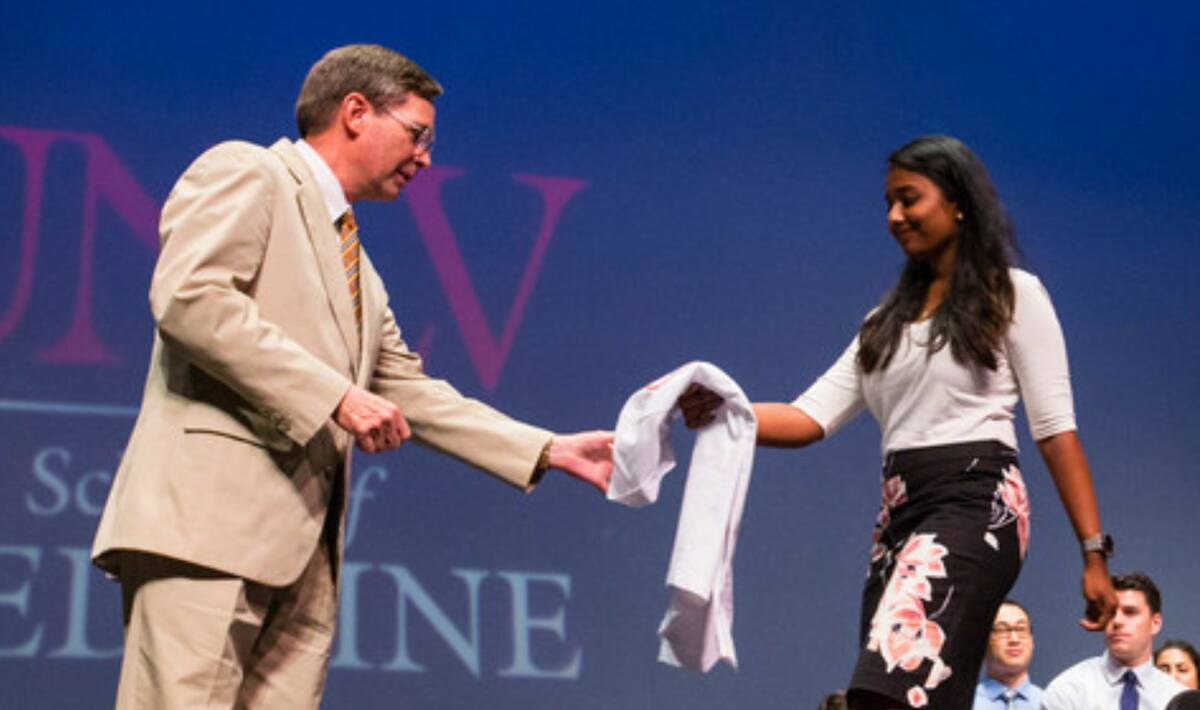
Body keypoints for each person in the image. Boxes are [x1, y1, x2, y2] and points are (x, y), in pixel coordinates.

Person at [90, 44, 613, 710]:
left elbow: (402, 388)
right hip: (208, 534)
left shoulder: (355, 259)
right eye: (417, 134)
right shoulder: (249, 171)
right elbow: (191, 299)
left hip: (303, 555)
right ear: (356, 112)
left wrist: (549, 448)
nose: (426, 157)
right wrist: (334, 395)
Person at [679, 135, 1116, 708]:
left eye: (909, 199)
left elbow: (1057, 431)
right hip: (899, 521)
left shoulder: (1012, 294)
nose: (894, 216)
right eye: (888, 203)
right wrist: (724, 408)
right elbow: (808, 417)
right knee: (927, 695)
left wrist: (1093, 555)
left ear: (957, 200)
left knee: (882, 689)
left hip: (975, 503)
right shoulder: (883, 324)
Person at [1042, 572, 1187, 709]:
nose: (1117, 621)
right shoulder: (1069, 690)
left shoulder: (1177, 698)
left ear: (1155, 623)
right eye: (1110, 612)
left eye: (1130, 612)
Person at [973, 600, 1042, 708]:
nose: (1014, 639)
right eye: (1002, 630)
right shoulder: (963, 703)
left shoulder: (1051, 703)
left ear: (1032, 641)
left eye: (1021, 629)